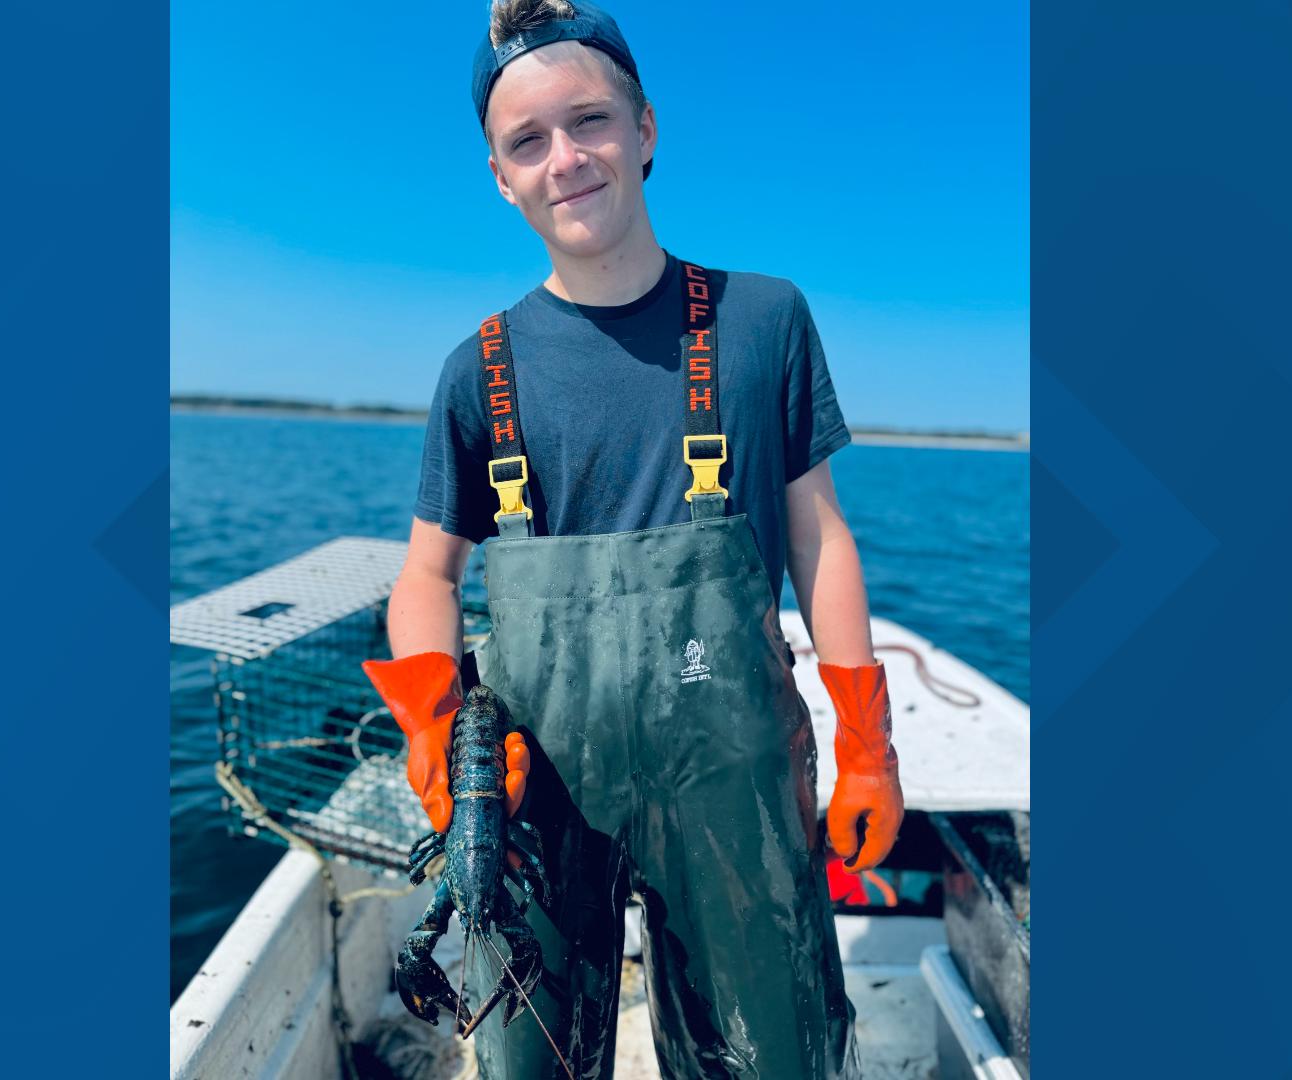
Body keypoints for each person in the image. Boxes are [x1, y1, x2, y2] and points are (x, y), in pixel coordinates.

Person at [362, 3, 904, 1076]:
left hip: (735, 775)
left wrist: (865, 741)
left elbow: (820, 537)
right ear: (500, 177)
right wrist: (432, 729)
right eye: (529, 141)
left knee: (772, 1055)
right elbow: (428, 574)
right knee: (531, 1053)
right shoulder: (479, 370)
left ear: (646, 129)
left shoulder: (764, 321)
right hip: (537, 790)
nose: (566, 158)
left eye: (590, 121)